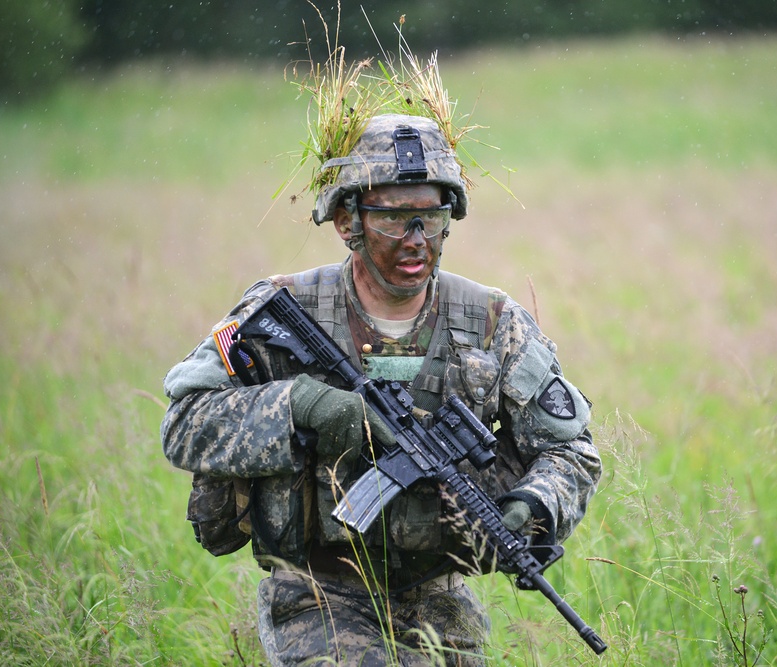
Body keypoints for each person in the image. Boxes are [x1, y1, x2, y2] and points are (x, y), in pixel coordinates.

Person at [160, 112, 602, 666]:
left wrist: (532, 506)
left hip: (437, 598)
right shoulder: (287, 309)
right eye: (396, 220)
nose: (418, 241)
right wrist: (300, 406)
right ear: (349, 221)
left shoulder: (491, 321)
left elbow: (572, 451)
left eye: (433, 218)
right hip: (315, 594)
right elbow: (183, 423)